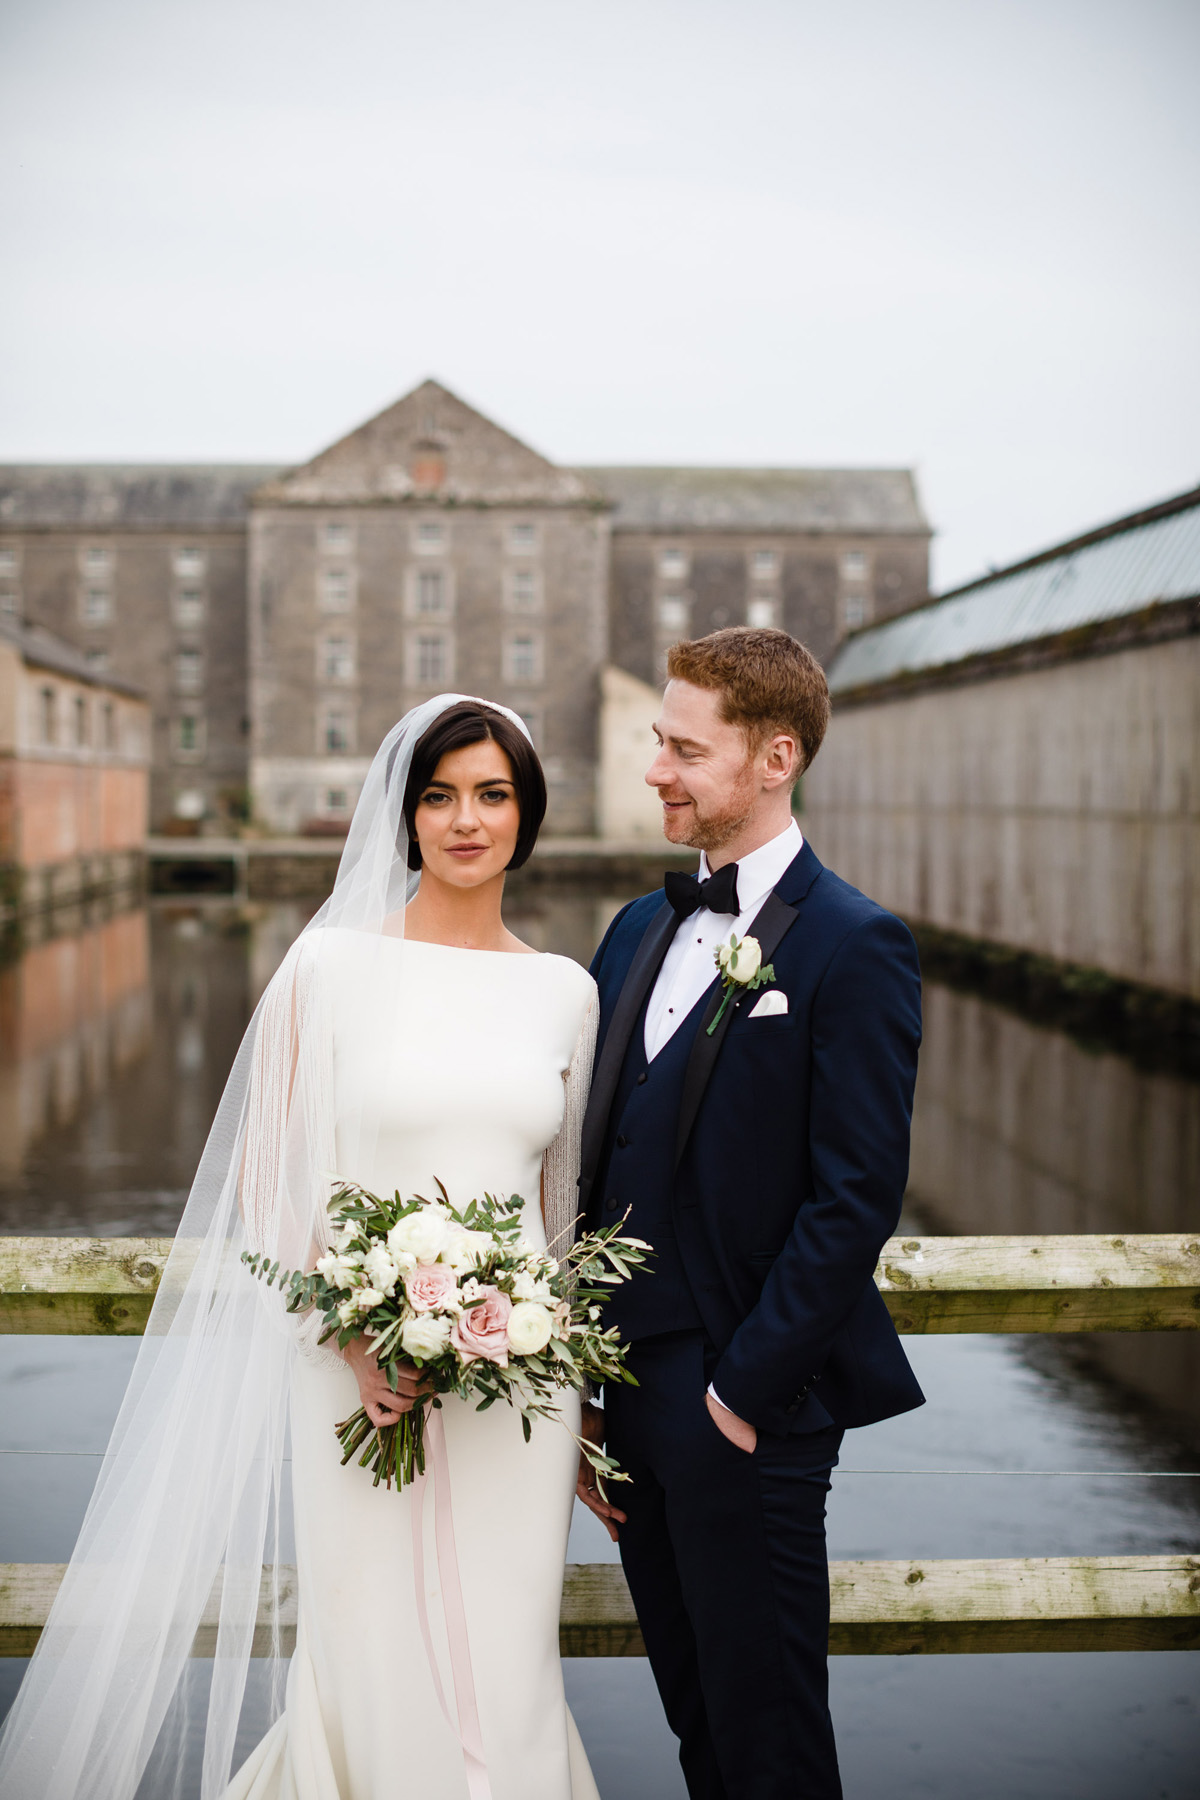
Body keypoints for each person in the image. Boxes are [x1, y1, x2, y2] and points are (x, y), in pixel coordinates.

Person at [0, 696, 600, 1800]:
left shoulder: (567, 991)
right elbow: (269, 1188)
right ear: (406, 813)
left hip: (521, 1391)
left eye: (492, 795)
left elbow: (558, 1222)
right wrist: (355, 1335)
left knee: (508, 1656)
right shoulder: (324, 971)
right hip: (351, 1373)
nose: (465, 820)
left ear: (528, 813)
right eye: (439, 795)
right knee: (368, 1643)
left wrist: (570, 1385)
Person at [575, 628, 924, 1800]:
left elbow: (856, 1195)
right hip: (626, 1406)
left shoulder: (855, 945)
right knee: (701, 1741)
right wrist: (584, 1388)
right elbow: (600, 1157)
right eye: (658, 742)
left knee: (772, 1749)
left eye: (683, 747)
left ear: (776, 756)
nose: (656, 769)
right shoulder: (634, 928)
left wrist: (738, 1398)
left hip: (746, 1411)